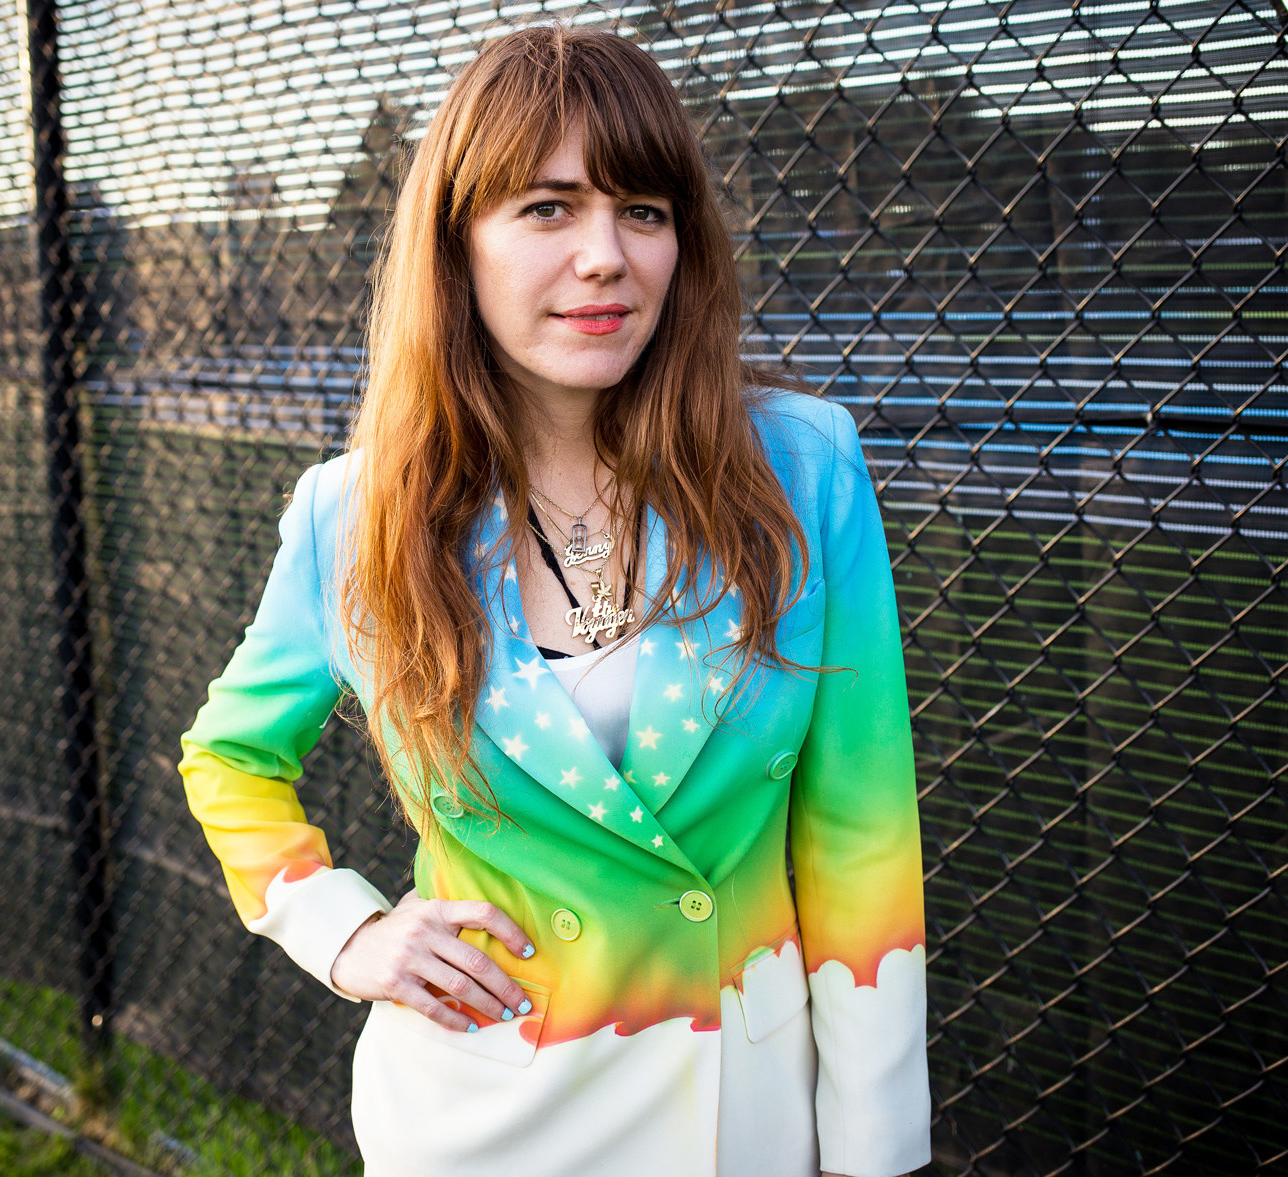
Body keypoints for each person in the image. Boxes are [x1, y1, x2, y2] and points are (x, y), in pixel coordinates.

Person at [178, 20, 931, 1177]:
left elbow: (861, 834)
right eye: (546, 208)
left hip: (743, 1117)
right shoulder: (354, 514)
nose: (605, 257)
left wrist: (872, 1151)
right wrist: (348, 930)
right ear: (457, 245)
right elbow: (228, 758)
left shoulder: (800, 467)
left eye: (643, 210)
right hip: (474, 1118)